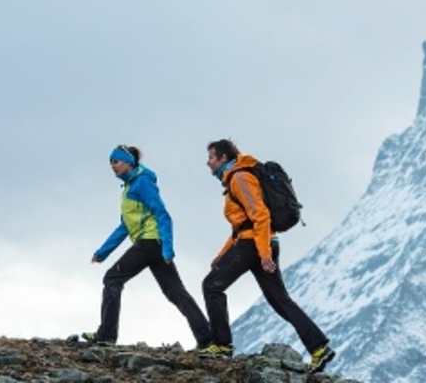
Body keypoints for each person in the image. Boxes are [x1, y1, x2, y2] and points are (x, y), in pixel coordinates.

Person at [198, 139, 334, 373]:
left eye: (211, 157)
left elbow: (260, 216)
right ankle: (319, 348)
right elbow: (241, 226)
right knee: (280, 300)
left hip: (254, 245)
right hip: (259, 242)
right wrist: (222, 255)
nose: (208, 162)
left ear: (223, 158)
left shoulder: (239, 178)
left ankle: (221, 346)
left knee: (211, 286)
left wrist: (264, 255)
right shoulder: (237, 177)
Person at [82, 145, 211, 349]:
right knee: (175, 292)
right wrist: (102, 252)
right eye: (110, 162)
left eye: (116, 161)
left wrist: (168, 248)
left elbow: (162, 214)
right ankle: (207, 339)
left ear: (129, 162)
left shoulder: (142, 182)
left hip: (150, 243)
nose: (112, 166)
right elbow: (125, 226)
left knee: (112, 279)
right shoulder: (128, 188)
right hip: (152, 245)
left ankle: (106, 335)